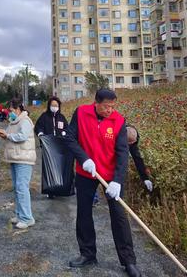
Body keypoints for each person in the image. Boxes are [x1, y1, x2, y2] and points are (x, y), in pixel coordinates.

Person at [65, 89, 141, 277]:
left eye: (113, 106)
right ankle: (88, 254)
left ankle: (128, 261)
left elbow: (123, 153)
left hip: (109, 175)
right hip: (86, 171)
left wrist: (117, 181)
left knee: (119, 216)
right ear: (96, 103)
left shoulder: (119, 121)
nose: (110, 110)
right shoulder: (81, 112)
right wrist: (84, 159)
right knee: (83, 213)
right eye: (106, 106)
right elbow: (69, 138)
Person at [0, 97, 36, 229]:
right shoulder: (14, 121)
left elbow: (22, 137)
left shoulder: (25, 121)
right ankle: (20, 215)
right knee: (18, 188)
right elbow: (10, 135)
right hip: (15, 157)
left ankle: (27, 218)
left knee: (22, 188)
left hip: (24, 158)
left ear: (18, 109)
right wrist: (3, 134)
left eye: (11, 110)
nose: (10, 112)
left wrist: (7, 136)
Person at [94, 124, 153, 206]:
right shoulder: (111, 134)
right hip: (99, 155)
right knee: (94, 177)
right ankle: (94, 197)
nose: (130, 146)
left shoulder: (133, 136)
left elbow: (137, 158)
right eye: (129, 144)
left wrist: (145, 178)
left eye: (132, 143)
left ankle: (112, 201)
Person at [34, 96, 69, 199]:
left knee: (59, 168)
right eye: (53, 105)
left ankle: (59, 188)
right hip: (48, 147)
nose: (54, 107)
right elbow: (38, 126)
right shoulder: (44, 116)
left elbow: (67, 128)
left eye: (56, 105)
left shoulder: (61, 117)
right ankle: (50, 189)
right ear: (49, 106)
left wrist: (64, 133)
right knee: (49, 167)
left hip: (59, 147)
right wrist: (40, 133)